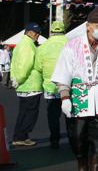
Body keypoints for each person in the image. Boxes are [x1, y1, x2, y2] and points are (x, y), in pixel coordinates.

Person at [51, 7, 98, 171]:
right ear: (88, 25)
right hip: (79, 99)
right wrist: (65, 98)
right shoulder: (73, 44)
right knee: (77, 138)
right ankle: (82, 167)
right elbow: (63, 73)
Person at [36, 20, 69, 149]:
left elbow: (38, 67)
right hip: (67, 86)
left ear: (50, 32)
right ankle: (72, 138)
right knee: (69, 114)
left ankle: (54, 139)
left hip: (50, 87)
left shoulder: (43, 46)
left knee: (53, 117)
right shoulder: (69, 44)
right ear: (64, 32)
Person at [10, 22, 44, 147]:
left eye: (39, 32)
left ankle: (19, 136)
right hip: (30, 84)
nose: (38, 34)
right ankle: (21, 136)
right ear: (28, 32)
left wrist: (15, 78)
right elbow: (25, 65)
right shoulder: (28, 46)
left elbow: (15, 64)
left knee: (23, 112)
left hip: (24, 84)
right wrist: (18, 78)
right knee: (30, 113)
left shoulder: (22, 44)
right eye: (35, 32)